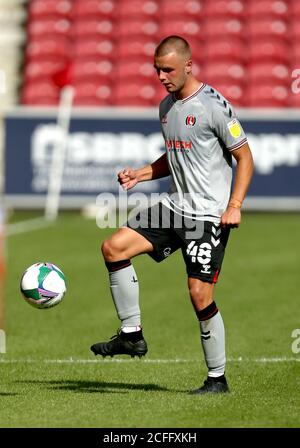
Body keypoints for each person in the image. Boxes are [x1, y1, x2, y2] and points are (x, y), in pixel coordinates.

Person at [91, 35, 254, 394]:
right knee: (113, 247)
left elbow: (245, 157)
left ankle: (217, 380)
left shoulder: (214, 106)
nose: (162, 76)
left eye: (167, 69)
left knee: (199, 295)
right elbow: (176, 156)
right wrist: (141, 173)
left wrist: (234, 205)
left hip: (208, 215)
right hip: (173, 208)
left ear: (188, 66)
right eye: (157, 70)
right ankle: (131, 334)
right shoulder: (166, 106)